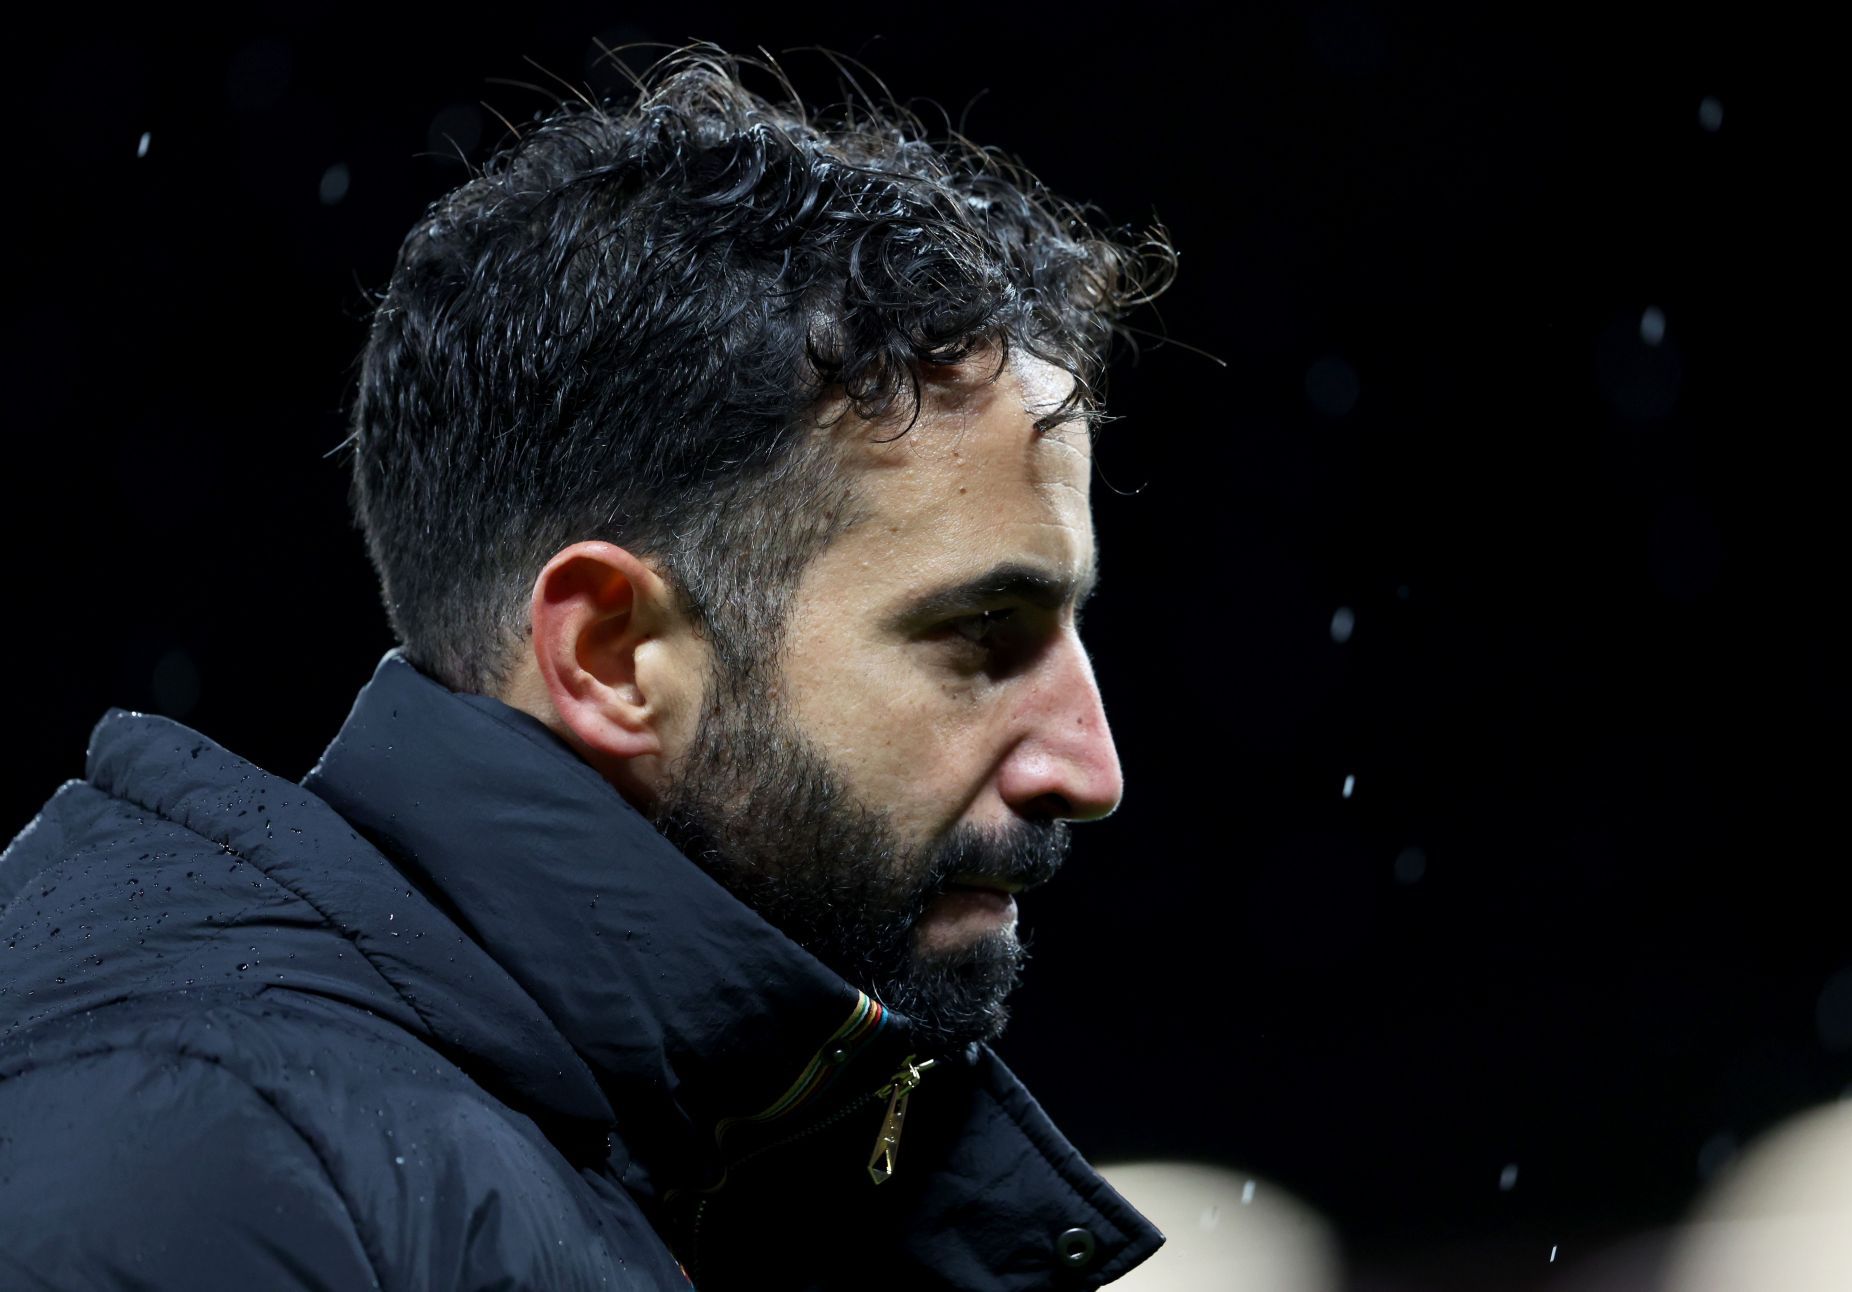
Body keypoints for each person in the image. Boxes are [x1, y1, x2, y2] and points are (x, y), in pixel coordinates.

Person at [0, 44, 1174, 1290]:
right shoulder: (189, 1176)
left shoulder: (687, 1169)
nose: (1089, 767)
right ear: (613, 653)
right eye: (982, 635)